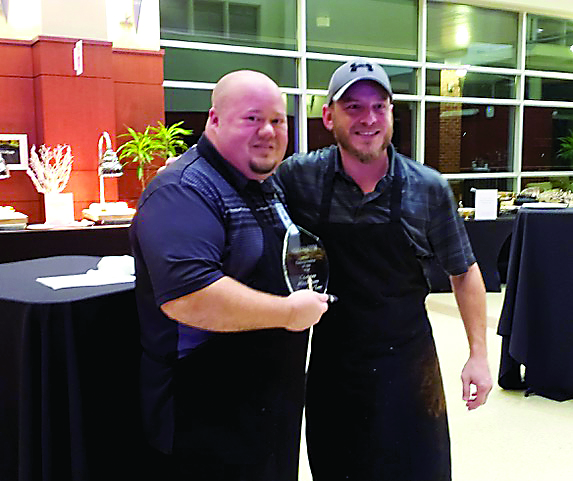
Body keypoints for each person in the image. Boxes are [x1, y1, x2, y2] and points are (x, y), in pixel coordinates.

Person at [273, 57, 493, 481]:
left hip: (410, 367)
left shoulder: (426, 188)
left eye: (379, 106)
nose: (368, 119)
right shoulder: (299, 179)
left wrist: (479, 356)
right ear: (328, 115)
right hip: (334, 366)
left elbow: (464, 271)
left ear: (392, 112)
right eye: (353, 106)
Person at [130, 70, 329, 481]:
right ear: (214, 120)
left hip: (267, 406)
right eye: (252, 119)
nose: (269, 132)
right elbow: (189, 296)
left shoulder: (266, 186)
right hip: (203, 414)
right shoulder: (182, 190)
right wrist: (289, 313)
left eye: (278, 120)